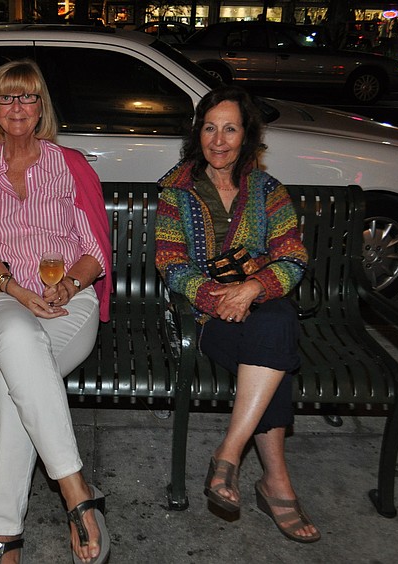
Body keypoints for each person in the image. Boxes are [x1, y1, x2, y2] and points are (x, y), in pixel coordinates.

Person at [0, 59, 112, 564]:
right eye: (6, 97)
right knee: (19, 341)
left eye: (28, 97)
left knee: (9, 384)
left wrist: (68, 284)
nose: (17, 107)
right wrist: (18, 291)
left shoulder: (70, 166)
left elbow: (95, 249)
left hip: (69, 304)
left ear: (42, 106)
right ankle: (77, 493)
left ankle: (5, 534)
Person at [154, 85, 321, 543]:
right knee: (280, 340)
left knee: (275, 324)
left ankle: (228, 455)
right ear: (198, 134)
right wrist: (216, 298)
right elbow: (172, 264)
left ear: (247, 136)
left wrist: (250, 288)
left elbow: (293, 256)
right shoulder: (176, 191)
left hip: (260, 307)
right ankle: (275, 484)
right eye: (210, 128)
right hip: (202, 321)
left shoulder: (269, 191)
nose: (219, 139)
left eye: (230, 128)